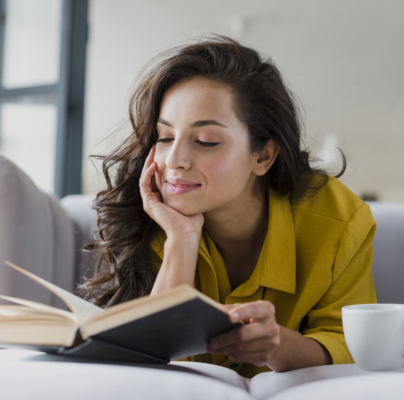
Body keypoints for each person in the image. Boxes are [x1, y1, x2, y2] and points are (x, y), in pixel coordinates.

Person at [81, 34, 377, 379]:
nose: (174, 160)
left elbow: (352, 343)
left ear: (262, 156)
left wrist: (279, 345)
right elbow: (147, 359)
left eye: (206, 141)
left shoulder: (341, 220)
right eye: (164, 137)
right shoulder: (151, 213)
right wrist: (181, 238)